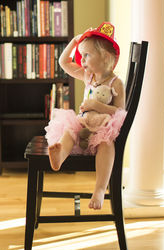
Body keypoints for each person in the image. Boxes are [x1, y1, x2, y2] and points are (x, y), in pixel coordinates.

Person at [45, 22, 127, 210]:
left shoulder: (116, 83)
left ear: (105, 57)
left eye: (87, 55)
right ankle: (60, 155)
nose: (82, 60)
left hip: (103, 128)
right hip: (84, 125)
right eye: (81, 55)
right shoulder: (87, 76)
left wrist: (97, 106)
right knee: (69, 131)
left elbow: (120, 112)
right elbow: (63, 63)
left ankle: (99, 189)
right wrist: (75, 42)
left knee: (106, 145)